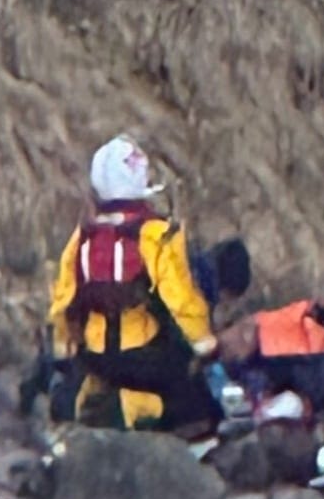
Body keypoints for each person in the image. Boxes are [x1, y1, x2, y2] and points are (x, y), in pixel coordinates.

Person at [46, 135, 219, 430]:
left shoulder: (83, 236)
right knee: (195, 402)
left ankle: (94, 397)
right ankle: (135, 407)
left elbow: (63, 299)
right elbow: (182, 302)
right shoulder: (157, 233)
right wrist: (206, 347)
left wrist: (65, 353)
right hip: (142, 356)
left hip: (94, 357)